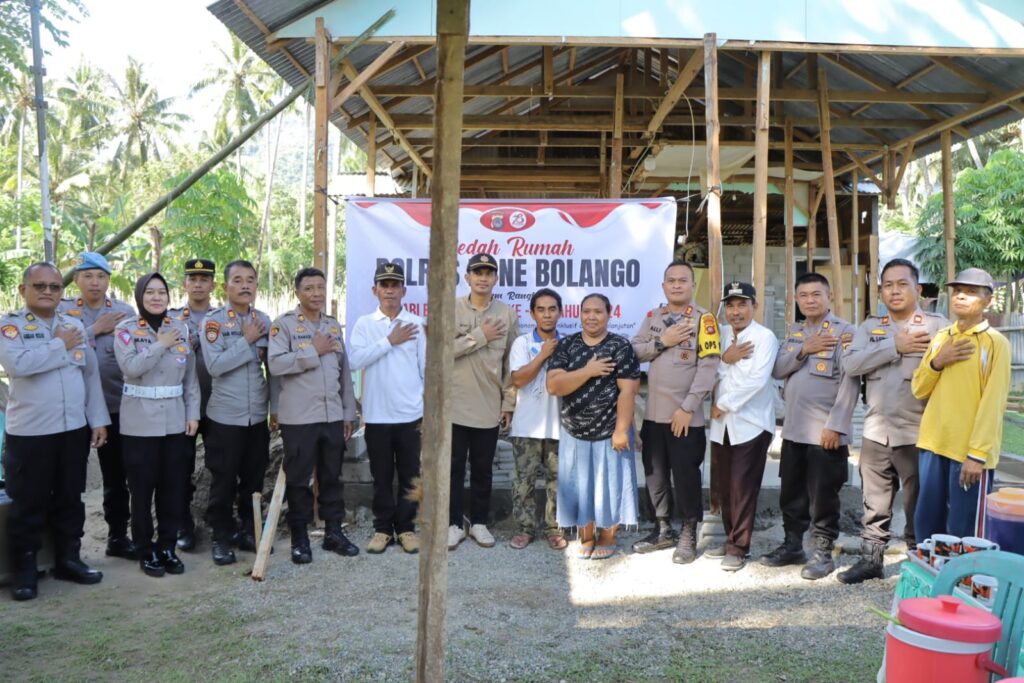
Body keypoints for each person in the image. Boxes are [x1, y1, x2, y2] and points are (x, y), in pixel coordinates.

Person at [0, 263, 110, 601]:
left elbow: (89, 377)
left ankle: (69, 559)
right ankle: (26, 569)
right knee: (27, 502)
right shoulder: (10, 327)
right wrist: (58, 346)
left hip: (72, 429)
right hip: (30, 433)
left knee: (69, 497)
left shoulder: (73, 324)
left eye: (54, 287)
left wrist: (98, 420)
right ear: (24, 290)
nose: (48, 291)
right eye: (40, 286)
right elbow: (18, 365)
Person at [838, 259, 947, 584]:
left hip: (919, 431)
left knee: (919, 503)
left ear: (918, 288)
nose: (895, 290)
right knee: (874, 502)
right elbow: (851, 364)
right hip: (875, 431)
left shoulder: (937, 326)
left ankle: (918, 563)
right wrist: (893, 346)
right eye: (888, 285)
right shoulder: (870, 327)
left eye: (902, 284)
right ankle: (871, 561)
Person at [763, 273, 858, 580]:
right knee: (791, 493)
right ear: (797, 300)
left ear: (829, 297)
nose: (810, 300)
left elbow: (850, 383)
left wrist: (837, 426)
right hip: (794, 430)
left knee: (823, 496)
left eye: (816, 294)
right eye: (803, 296)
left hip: (825, 432)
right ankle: (792, 545)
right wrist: (805, 348)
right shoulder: (795, 332)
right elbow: (778, 369)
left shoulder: (845, 332)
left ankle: (822, 552)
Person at [912, 268, 1011, 541]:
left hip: (968, 454)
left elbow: (994, 402)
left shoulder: (995, 343)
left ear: (988, 301)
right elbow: (919, 388)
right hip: (932, 445)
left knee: (964, 531)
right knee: (928, 526)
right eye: (957, 291)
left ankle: (964, 583)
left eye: (971, 292)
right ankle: (932, 582)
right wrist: (937, 361)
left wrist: (977, 455)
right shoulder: (942, 337)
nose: (961, 297)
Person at [631, 260, 720, 562]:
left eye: (683, 280)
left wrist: (688, 407)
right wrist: (662, 341)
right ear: (664, 285)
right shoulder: (654, 317)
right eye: (671, 280)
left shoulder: (705, 321)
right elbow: (634, 351)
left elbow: (708, 369)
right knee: (655, 475)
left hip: (685, 418)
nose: (677, 285)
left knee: (685, 478)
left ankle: (688, 532)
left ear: (693, 285)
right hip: (654, 417)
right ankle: (662, 529)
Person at [269, 267, 359, 564]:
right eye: (309, 288)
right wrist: (313, 351)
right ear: (298, 292)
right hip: (299, 419)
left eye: (320, 287)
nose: (316, 293)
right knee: (299, 481)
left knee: (332, 477)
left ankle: (333, 532)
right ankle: (300, 539)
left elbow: (344, 374)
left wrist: (348, 412)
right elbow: (276, 364)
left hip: (332, 415)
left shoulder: (333, 326)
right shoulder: (283, 326)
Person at [114, 272, 200, 578]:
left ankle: (167, 547)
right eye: (149, 292)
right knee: (141, 491)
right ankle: (145, 549)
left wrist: (193, 414)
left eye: (161, 292)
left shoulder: (180, 329)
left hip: (174, 422)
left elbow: (190, 379)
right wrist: (160, 345)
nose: (156, 297)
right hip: (139, 424)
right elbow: (131, 368)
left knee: (172, 489)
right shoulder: (125, 330)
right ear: (140, 297)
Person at [547, 293, 641, 560]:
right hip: (573, 430)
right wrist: (588, 371)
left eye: (598, 312)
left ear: (609, 315)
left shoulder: (620, 347)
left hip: (610, 431)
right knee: (579, 485)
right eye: (586, 311)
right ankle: (585, 535)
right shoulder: (567, 346)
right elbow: (554, 385)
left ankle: (608, 535)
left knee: (609, 484)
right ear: (579, 314)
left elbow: (628, 391)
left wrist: (622, 430)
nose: (591, 316)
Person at [58, 251, 137, 560]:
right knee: (70, 478)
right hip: (76, 409)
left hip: (118, 406)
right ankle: (69, 547)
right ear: (76, 279)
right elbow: (59, 348)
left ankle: (118, 536)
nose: (95, 282)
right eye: (88, 275)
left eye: (101, 276)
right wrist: (95, 329)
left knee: (118, 476)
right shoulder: (63, 312)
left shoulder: (124, 310)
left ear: (108, 280)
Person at [199, 260, 276, 566]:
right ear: (225, 287)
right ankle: (221, 536)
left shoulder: (264, 320)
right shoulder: (214, 323)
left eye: (251, 280)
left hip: (256, 415)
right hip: (225, 417)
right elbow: (215, 367)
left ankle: (249, 531)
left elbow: (273, 369)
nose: (245, 286)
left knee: (254, 479)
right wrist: (246, 341)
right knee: (223, 480)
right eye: (238, 280)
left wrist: (276, 408)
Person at [348, 262, 426, 555]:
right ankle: (382, 529)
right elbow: (355, 360)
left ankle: (406, 529)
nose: (390, 290)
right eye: (384, 285)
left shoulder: (417, 324)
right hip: (377, 415)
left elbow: (426, 369)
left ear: (403, 290)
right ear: (375, 290)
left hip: (410, 415)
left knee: (409, 475)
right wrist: (388, 341)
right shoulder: (365, 324)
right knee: (381, 476)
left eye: (395, 285)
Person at [448, 253, 519, 550]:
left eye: (489, 273)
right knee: (452, 468)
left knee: (482, 468)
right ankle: (453, 523)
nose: (483, 277)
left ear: (496, 279)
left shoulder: (506, 314)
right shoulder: (451, 308)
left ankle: (478, 522)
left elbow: (510, 364)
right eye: (477, 272)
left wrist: (508, 403)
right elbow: (439, 352)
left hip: (488, 406)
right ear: (467, 278)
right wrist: (479, 335)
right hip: (453, 406)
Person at [707, 282, 778, 572]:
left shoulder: (765, 337)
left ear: (754, 306)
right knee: (725, 486)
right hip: (721, 425)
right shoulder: (720, 335)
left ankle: (739, 547)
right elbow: (708, 368)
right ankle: (729, 539)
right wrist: (726, 358)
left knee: (742, 487)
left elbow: (757, 381)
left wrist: (723, 403)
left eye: (742, 304)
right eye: (731, 305)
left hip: (751, 423)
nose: (736, 311)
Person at [507, 288, 567, 551]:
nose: (547, 314)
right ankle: (524, 528)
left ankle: (554, 528)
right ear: (532, 313)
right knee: (524, 482)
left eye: (552, 309)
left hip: (561, 426)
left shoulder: (569, 344)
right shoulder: (522, 343)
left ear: (560, 312)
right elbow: (518, 379)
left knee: (559, 481)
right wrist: (543, 354)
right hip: (526, 425)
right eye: (541, 309)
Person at [169, 257, 216, 552]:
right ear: (185, 284)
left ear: (212, 284)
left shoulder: (225, 317)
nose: (198, 284)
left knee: (222, 467)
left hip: (218, 405)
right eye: (193, 279)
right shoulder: (172, 319)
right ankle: (182, 524)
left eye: (204, 279)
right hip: (183, 408)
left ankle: (221, 521)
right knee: (179, 468)